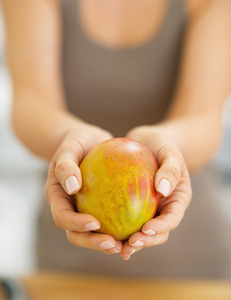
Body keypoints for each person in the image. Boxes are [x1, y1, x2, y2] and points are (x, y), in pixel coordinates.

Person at [2, 0, 231, 277]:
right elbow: (31, 105)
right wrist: (69, 138)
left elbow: (203, 118)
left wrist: (168, 143)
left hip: (192, 269)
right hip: (68, 265)